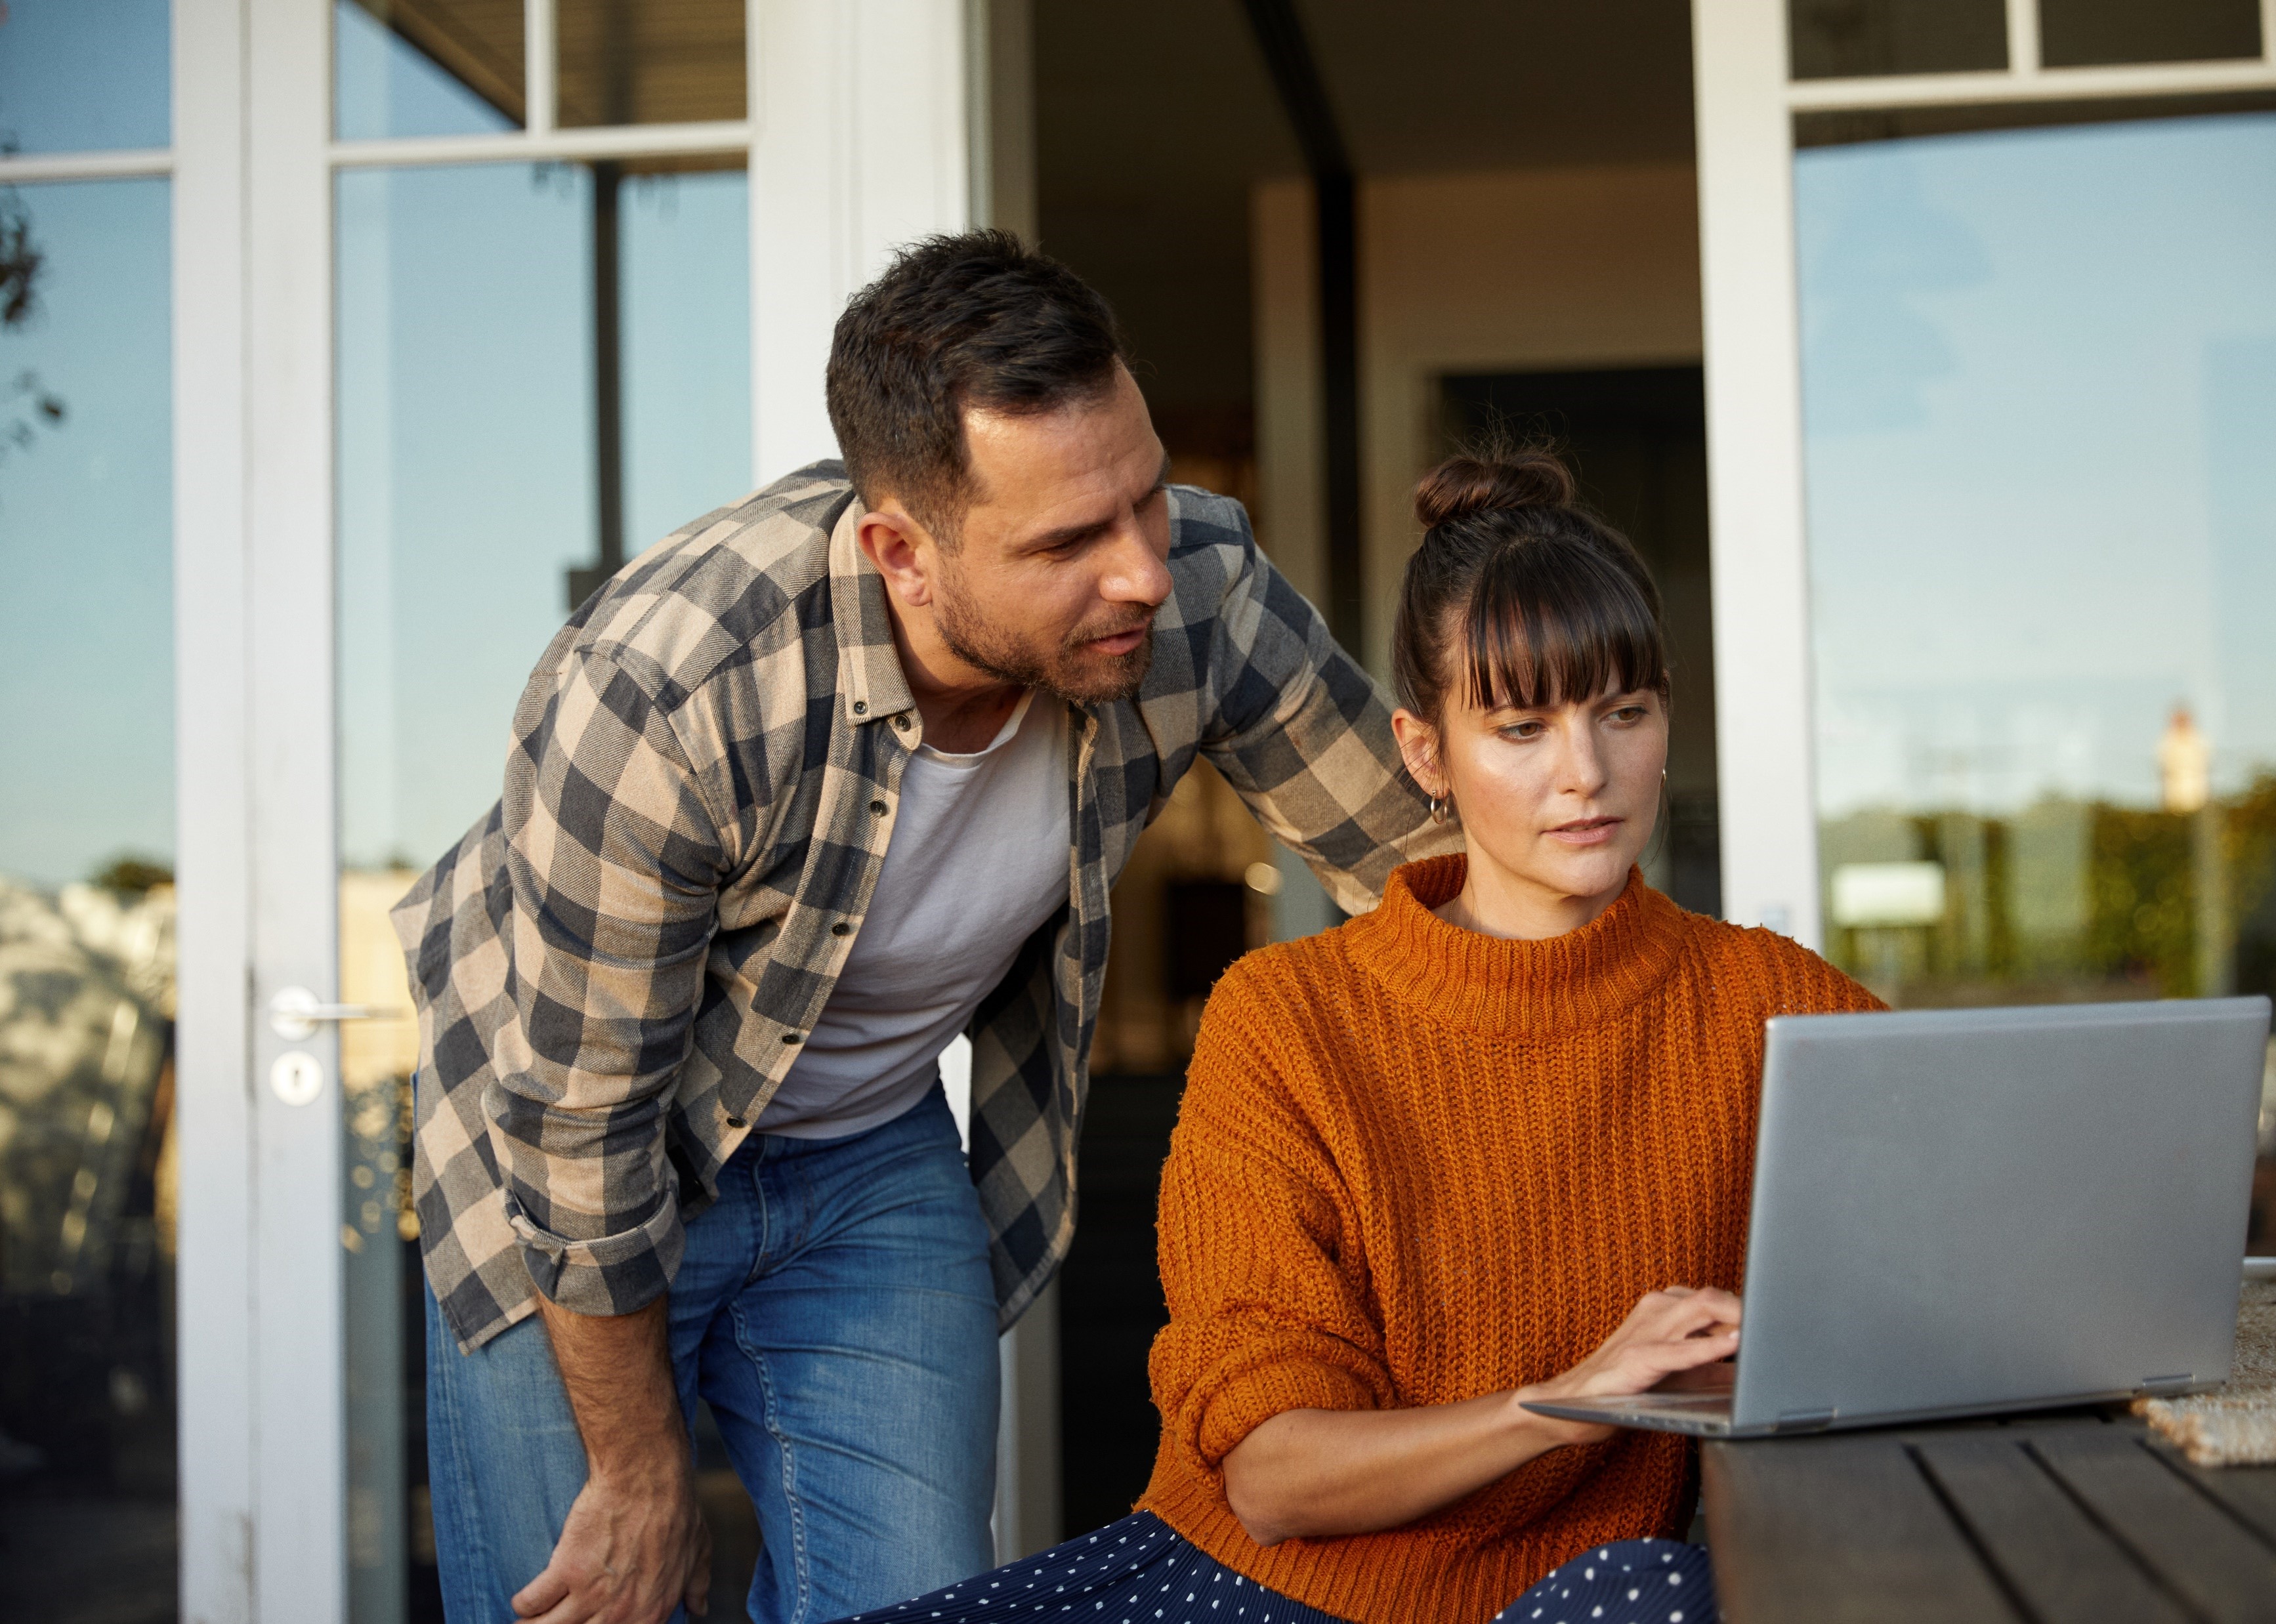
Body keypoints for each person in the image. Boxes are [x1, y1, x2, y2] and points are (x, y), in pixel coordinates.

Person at [393, 230, 1455, 1624]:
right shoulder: (668, 686)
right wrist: (641, 1467)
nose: (1140, 568)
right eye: (1069, 540)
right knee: (599, 1591)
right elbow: (579, 1132)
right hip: (569, 1165)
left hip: (868, 1157)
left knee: (924, 1602)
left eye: (1140, 494)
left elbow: (1422, 864)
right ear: (899, 549)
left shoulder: (1193, 582)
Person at [846, 448, 1883, 1624]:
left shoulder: (1768, 1005)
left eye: (1623, 714)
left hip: (1579, 1599)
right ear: (1425, 752)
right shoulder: (1286, 1021)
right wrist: (1575, 1397)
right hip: (1241, 1589)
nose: (1585, 775)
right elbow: (1275, 1479)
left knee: (1662, 1589)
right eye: (1521, 728)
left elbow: (1972, 1251)